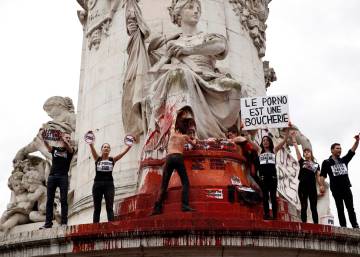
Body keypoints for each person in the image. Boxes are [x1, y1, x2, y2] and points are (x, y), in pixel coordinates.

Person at [152, 116, 197, 215]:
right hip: (178, 157)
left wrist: (176, 116)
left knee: (164, 185)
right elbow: (194, 144)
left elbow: (172, 124)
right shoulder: (184, 137)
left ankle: (157, 208)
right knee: (185, 183)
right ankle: (185, 205)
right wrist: (194, 139)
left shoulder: (172, 133)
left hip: (169, 158)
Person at [87, 132, 133, 223]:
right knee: (97, 208)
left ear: (110, 150)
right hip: (97, 185)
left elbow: (122, 154)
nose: (106, 148)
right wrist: (90, 142)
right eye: (104, 147)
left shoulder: (112, 160)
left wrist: (129, 146)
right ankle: (95, 228)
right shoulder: (97, 159)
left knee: (109, 207)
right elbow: (92, 148)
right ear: (102, 150)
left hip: (109, 185)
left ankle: (111, 227)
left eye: (108, 147)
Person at [319, 134, 359, 228]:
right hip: (336, 189)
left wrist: (357, 141)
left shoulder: (344, 160)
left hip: (346, 187)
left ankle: (355, 225)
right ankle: (343, 226)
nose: (339, 150)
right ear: (332, 150)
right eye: (337, 148)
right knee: (340, 208)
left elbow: (352, 151)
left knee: (350, 208)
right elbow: (322, 176)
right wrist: (321, 185)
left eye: (340, 148)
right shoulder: (327, 162)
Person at [40, 131, 74, 229]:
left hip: (63, 177)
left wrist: (65, 140)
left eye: (69, 138)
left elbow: (70, 149)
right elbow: (48, 147)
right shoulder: (55, 149)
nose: (67, 139)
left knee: (63, 200)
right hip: (52, 176)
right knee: (49, 201)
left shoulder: (70, 150)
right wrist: (44, 138)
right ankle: (48, 223)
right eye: (66, 137)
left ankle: (64, 222)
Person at [258, 127, 290, 220]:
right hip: (263, 177)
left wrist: (287, 132)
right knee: (265, 197)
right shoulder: (259, 151)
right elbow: (248, 139)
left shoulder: (274, 150)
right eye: (263, 140)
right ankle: (267, 215)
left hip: (272, 177)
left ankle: (275, 216)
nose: (265, 142)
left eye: (267, 140)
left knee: (273, 196)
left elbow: (283, 141)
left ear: (270, 142)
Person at [291, 131, 322, 224]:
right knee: (304, 206)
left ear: (311, 154)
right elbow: (296, 149)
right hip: (303, 186)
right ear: (304, 155)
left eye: (308, 152)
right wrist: (293, 138)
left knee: (313, 207)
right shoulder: (302, 162)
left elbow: (318, 176)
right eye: (305, 152)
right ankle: (304, 224)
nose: (306, 153)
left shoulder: (316, 165)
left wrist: (321, 185)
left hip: (312, 187)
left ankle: (316, 224)